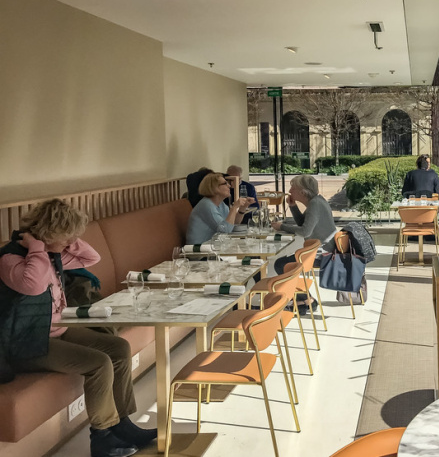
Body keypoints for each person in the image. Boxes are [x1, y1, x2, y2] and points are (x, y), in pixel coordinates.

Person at [0, 200, 157, 457]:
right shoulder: (11, 258)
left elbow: (91, 257)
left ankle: (122, 423)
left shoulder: (51, 254)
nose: (73, 240)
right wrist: (39, 248)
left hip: (53, 330)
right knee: (98, 363)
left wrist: (64, 242)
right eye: (68, 235)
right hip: (25, 343)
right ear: (50, 234)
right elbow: (34, 286)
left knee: (118, 347)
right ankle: (103, 437)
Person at [271, 175, 337, 313]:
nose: (290, 190)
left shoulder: (315, 204)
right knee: (284, 264)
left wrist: (282, 227)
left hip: (322, 255)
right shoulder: (317, 201)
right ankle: (303, 299)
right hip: (320, 250)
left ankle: (307, 300)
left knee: (280, 264)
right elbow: (303, 223)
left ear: (302, 192)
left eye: (292, 188)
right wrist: (293, 206)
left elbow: (305, 231)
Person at [186, 173, 253, 245]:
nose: (229, 186)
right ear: (214, 187)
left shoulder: (221, 204)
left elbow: (232, 225)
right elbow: (225, 230)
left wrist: (242, 208)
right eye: (225, 183)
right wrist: (234, 207)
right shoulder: (206, 205)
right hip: (199, 251)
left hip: (212, 247)